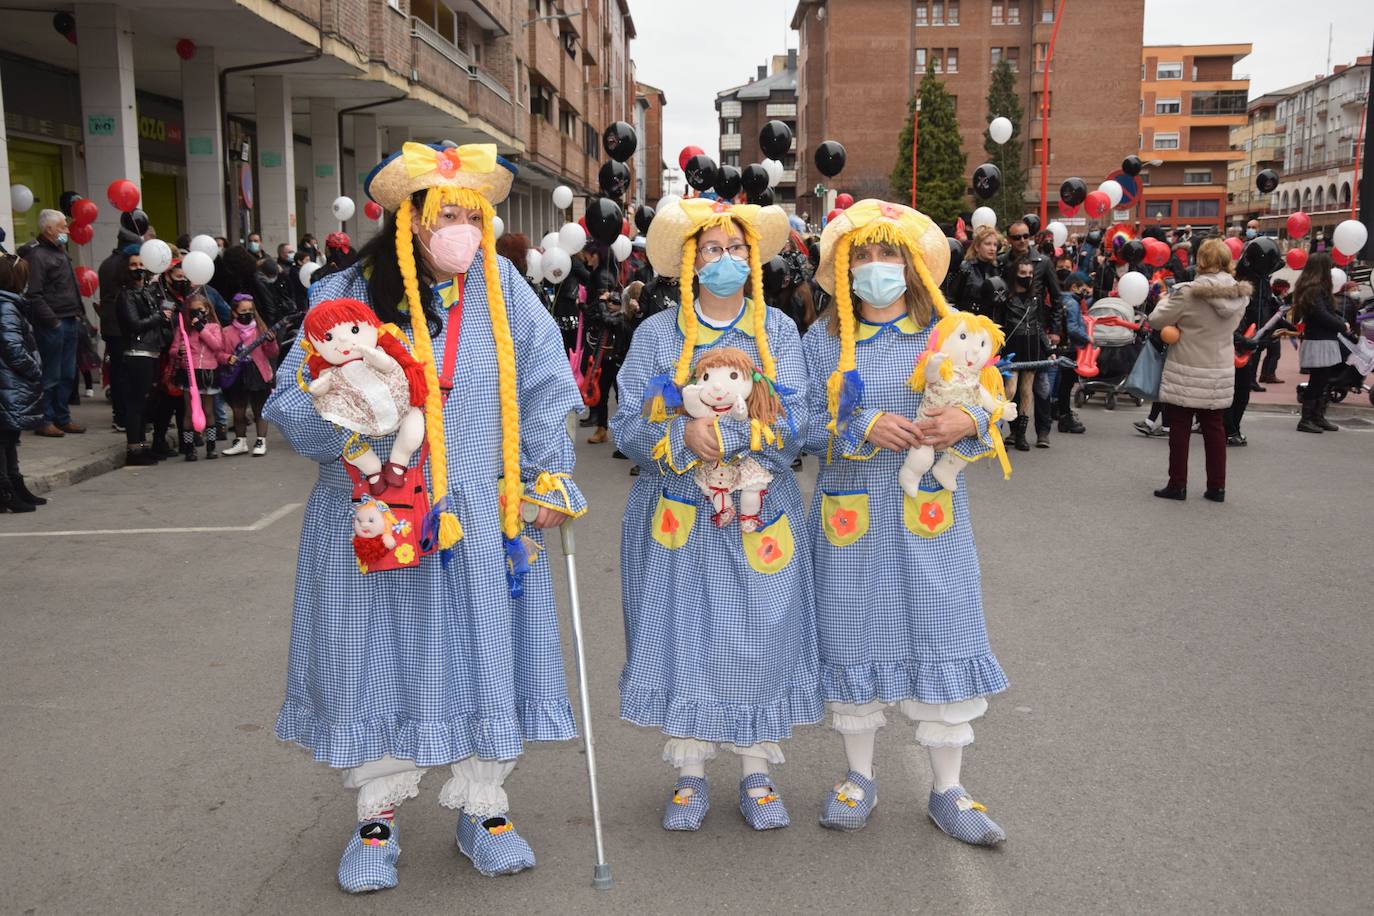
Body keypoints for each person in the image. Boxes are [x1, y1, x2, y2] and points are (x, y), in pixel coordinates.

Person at [262, 141, 586, 893]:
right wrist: (347, 415)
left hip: (480, 507)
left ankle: (485, 805)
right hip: (376, 512)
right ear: (406, 218)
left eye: (472, 213)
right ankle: (377, 815)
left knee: (483, 646)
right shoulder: (343, 294)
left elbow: (546, 387)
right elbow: (288, 402)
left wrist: (546, 481)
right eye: (445, 214)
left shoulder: (503, 286)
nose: (461, 228)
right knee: (377, 651)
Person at [802, 198, 1008, 845]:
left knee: (940, 628)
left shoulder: (946, 333)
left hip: (928, 518)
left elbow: (992, 401)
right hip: (850, 515)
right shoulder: (824, 339)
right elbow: (796, 422)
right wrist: (860, 423)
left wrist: (968, 421)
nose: (874, 267)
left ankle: (949, 787)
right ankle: (858, 777)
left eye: (886, 254)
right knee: (851, 631)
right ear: (842, 269)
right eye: (860, 257)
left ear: (911, 264)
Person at [611, 197, 820, 833]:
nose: (724, 260)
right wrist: (678, 440)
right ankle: (690, 775)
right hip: (677, 513)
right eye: (711, 250)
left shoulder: (777, 333)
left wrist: (735, 437)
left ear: (752, 258)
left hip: (759, 512)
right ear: (690, 262)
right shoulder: (656, 335)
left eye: (734, 249)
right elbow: (625, 423)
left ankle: (757, 770)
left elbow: (804, 420)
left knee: (761, 635)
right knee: (684, 634)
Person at [1146, 238, 1250, 502]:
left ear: (1201, 261)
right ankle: (1217, 487)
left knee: (1179, 427)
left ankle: (1177, 484)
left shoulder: (1188, 292)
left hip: (1186, 367)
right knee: (1215, 428)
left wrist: (1164, 300)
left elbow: (1157, 320)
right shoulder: (1240, 295)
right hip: (1220, 369)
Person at [22, 210, 85, 437]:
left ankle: (62, 416)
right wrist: (53, 321)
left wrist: (77, 314)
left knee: (67, 374)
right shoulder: (38, 256)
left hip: (69, 318)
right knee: (50, 375)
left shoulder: (59, 252)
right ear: (48, 229)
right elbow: (34, 294)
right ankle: (45, 418)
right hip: (53, 323)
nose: (67, 231)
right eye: (62, 227)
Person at [114, 251, 172, 466]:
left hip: (152, 350)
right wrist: (159, 317)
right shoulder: (126, 294)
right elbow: (134, 323)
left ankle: (143, 445)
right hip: (137, 352)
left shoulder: (147, 291)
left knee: (146, 402)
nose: (138, 268)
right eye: (133, 264)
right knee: (136, 403)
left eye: (141, 263)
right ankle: (134, 449)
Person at [0, 253, 46, 511]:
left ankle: (15, 483)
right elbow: (12, 347)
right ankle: (6, 490)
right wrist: (34, 368)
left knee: (10, 435)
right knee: (4, 437)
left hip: (10, 381)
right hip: (8, 381)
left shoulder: (11, 304)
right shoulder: (6, 306)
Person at [997, 255, 1055, 450]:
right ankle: (997, 429)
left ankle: (1021, 435)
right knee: (1010, 389)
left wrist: (1048, 349)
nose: (1027, 277)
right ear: (1015, 274)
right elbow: (999, 325)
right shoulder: (1005, 298)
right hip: (1012, 348)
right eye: (1023, 273)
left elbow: (1039, 325)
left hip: (1032, 348)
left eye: (1030, 273)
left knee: (1027, 391)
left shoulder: (1035, 298)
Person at [1290, 253, 1347, 434]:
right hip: (1319, 340)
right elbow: (1321, 315)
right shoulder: (1314, 290)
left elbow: (1326, 312)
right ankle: (1307, 418)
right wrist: (1341, 325)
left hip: (1322, 340)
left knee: (1323, 380)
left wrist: (1339, 321)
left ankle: (1317, 416)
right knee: (1318, 380)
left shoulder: (1313, 288)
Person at [219, 294, 279, 456]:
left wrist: (271, 341)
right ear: (234, 312)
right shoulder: (227, 332)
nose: (247, 313)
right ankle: (240, 441)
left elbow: (273, 353)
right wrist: (227, 358)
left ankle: (261, 441)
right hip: (237, 373)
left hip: (258, 372)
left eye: (250, 310)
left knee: (259, 409)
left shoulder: (261, 329)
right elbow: (220, 353)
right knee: (238, 410)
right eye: (243, 310)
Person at [169, 291, 225, 460]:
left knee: (208, 410)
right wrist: (178, 351)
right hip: (190, 372)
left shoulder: (214, 327)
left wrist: (201, 328)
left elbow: (217, 346)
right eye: (193, 311)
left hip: (208, 373)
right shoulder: (184, 329)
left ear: (207, 310)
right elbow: (172, 350)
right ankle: (189, 447)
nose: (196, 313)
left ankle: (211, 447)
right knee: (189, 410)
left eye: (200, 310)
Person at [1054, 271, 1091, 434]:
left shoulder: (1064, 300)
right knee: (1067, 383)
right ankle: (1065, 417)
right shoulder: (1073, 303)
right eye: (1085, 287)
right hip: (1069, 348)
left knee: (1065, 383)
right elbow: (1072, 328)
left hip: (1064, 347)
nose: (1087, 292)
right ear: (1075, 286)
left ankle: (1063, 413)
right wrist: (1088, 338)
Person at [951, 225, 1003, 316]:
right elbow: (952, 298)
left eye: (995, 244)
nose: (992, 248)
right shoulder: (964, 268)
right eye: (988, 244)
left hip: (990, 323)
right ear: (977, 247)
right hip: (967, 322)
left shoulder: (997, 269)